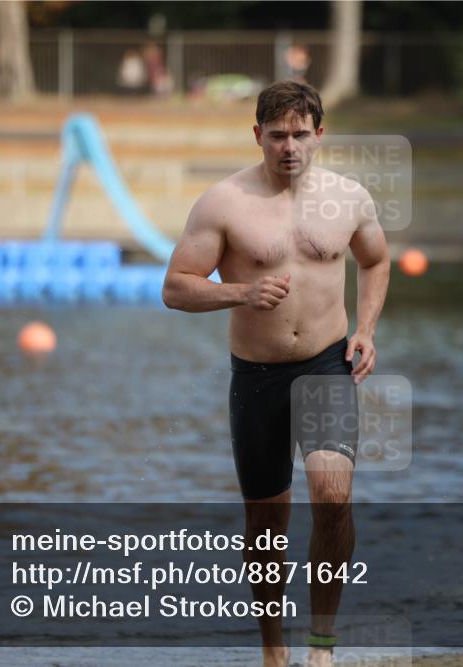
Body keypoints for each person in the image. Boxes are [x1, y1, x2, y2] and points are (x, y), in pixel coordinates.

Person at [162, 81, 391, 667]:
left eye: (301, 134)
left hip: (326, 365)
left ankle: (321, 646)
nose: (290, 147)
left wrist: (365, 328)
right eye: (278, 135)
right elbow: (175, 288)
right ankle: (273, 649)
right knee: (266, 522)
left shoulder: (349, 199)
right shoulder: (223, 203)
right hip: (257, 376)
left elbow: (376, 259)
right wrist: (240, 290)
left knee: (333, 497)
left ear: (320, 134)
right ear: (258, 135)